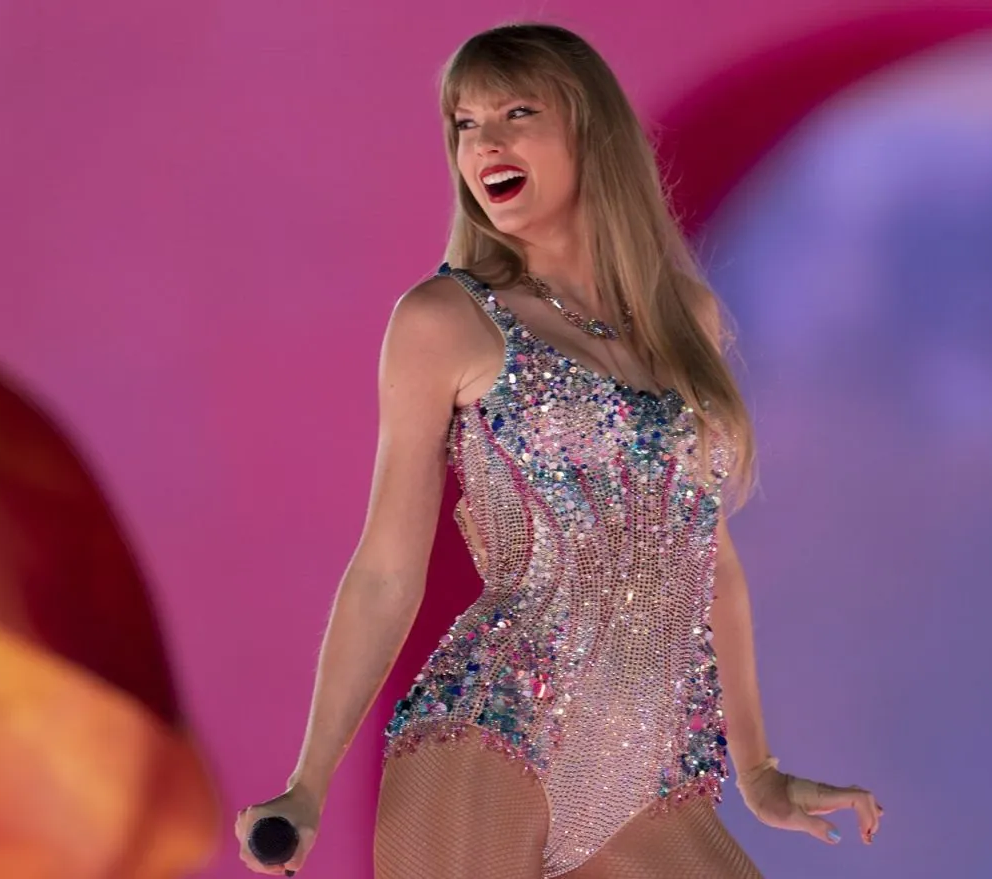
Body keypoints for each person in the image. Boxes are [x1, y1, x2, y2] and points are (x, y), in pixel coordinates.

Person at [235, 22, 883, 878]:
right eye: (466, 124)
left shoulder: (683, 319)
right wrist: (309, 782)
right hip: (493, 734)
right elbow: (387, 570)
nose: (486, 144)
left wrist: (757, 770)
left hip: (647, 769)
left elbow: (709, 562)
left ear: (590, 131)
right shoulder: (444, 321)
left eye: (517, 114)